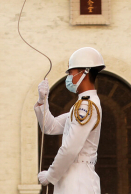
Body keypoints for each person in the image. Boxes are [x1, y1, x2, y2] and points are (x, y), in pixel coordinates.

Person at [36, 47, 105, 193]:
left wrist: (50, 175)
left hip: (78, 181)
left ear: (84, 72)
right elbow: (50, 127)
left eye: (71, 73)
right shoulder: (81, 105)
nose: (69, 77)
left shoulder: (86, 105)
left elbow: (70, 148)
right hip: (72, 179)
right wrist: (43, 101)